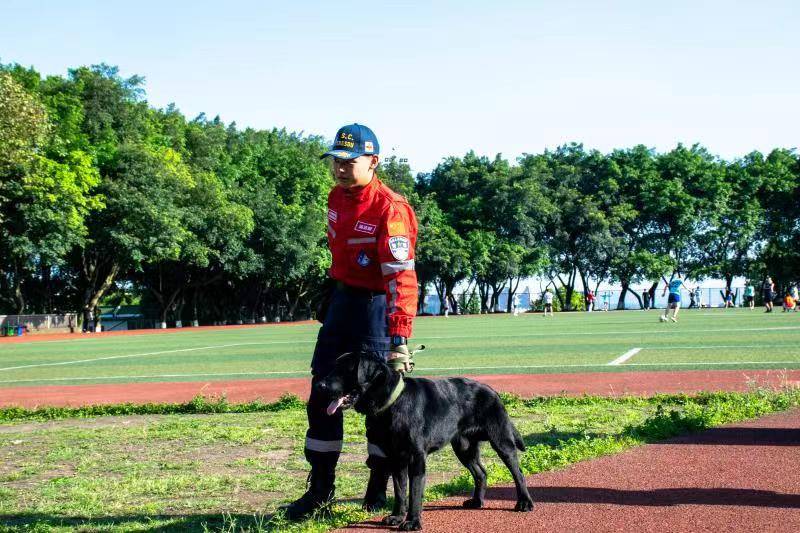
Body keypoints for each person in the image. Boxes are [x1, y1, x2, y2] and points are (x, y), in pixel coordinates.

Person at [283, 123, 419, 520]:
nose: (340, 169)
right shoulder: (335, 198)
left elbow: (402, 278)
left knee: (379, 407)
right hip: (343, 305)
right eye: (336, 161)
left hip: (376, 311)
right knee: (322, 393)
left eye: (350, 161)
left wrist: (398, 338)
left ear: (373, 162)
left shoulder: (391, 209)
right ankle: (321, 489)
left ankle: (378, 487)